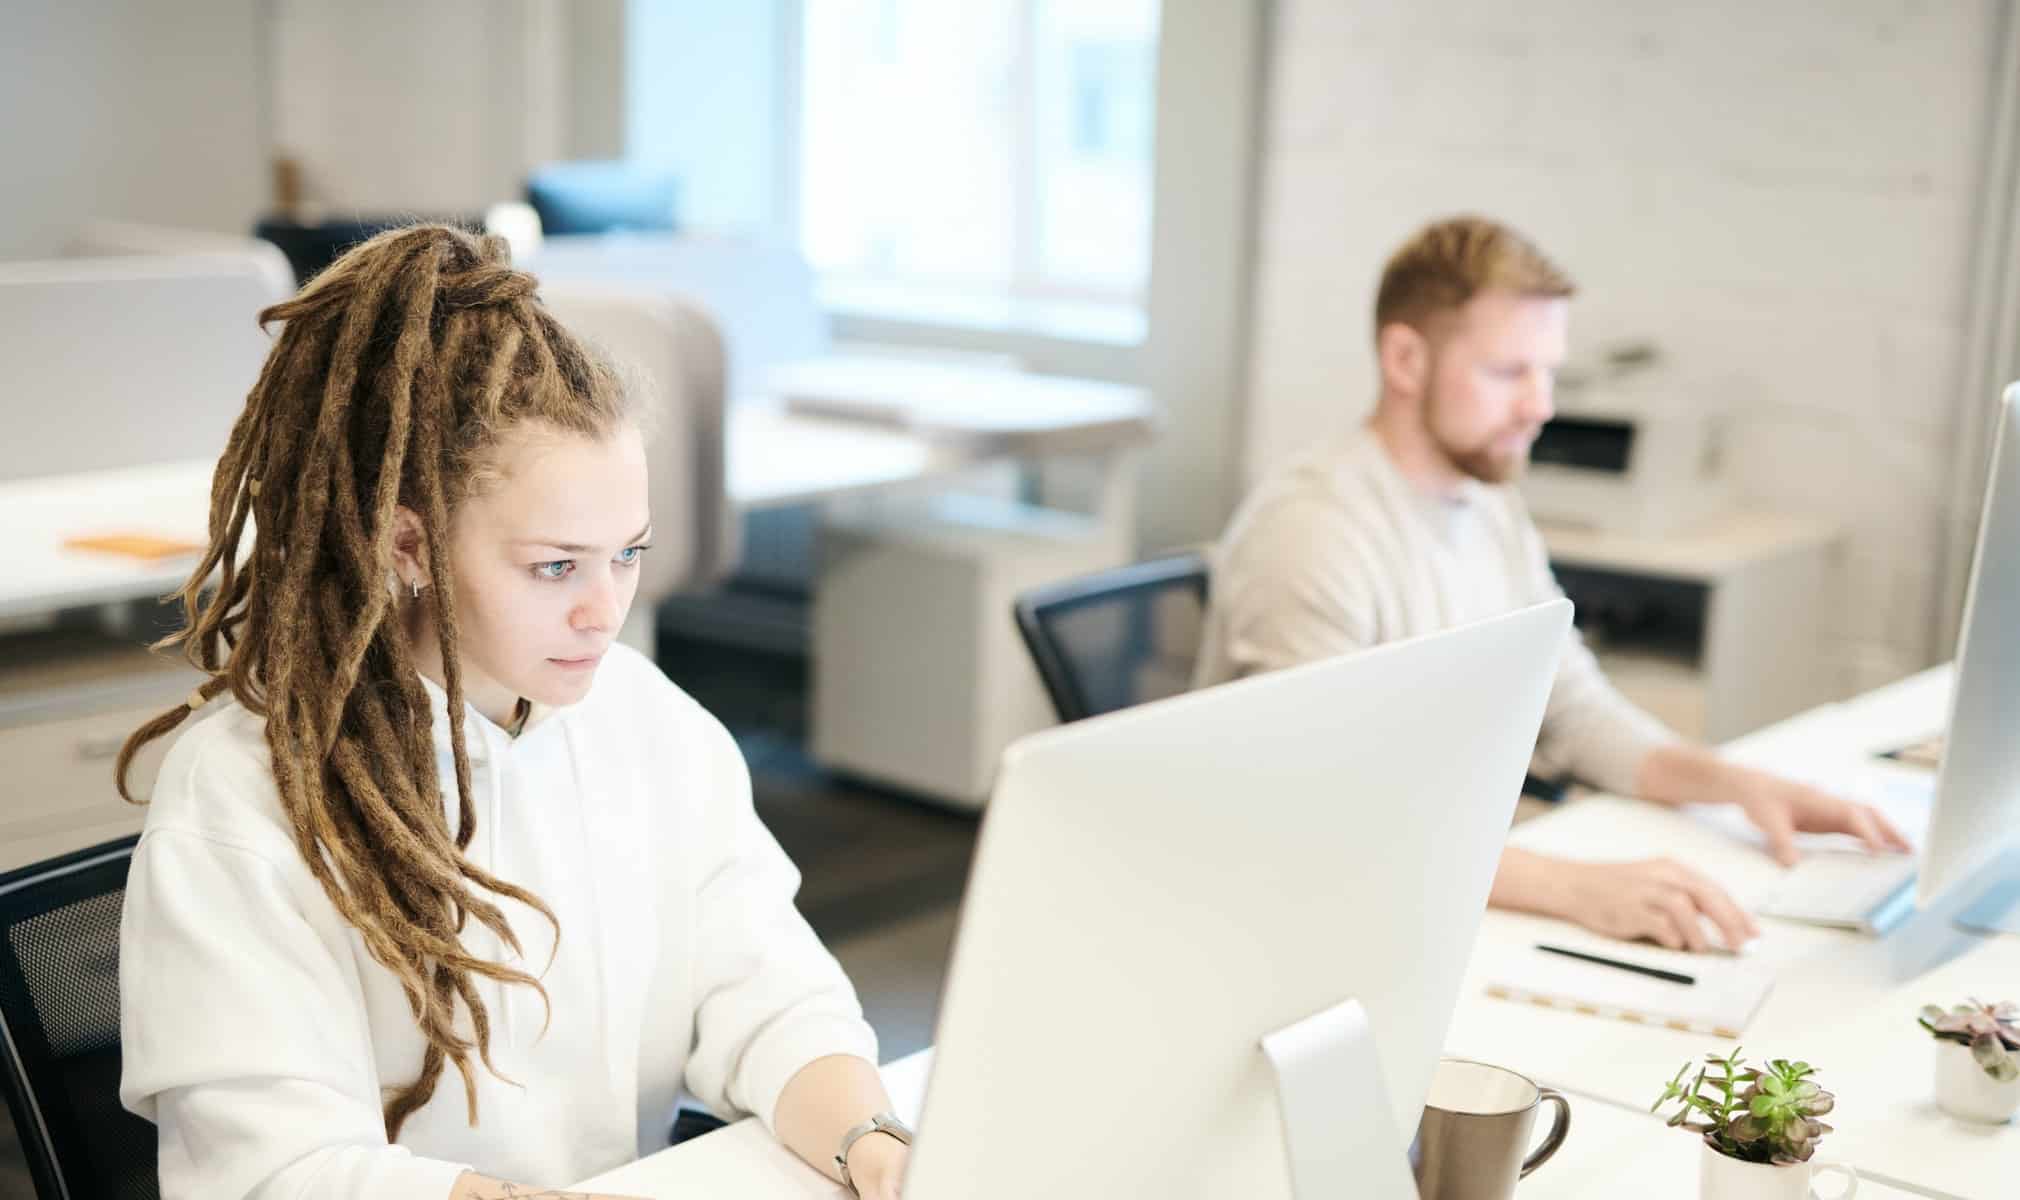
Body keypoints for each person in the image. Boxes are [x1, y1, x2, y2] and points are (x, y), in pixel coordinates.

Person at [115, 226, 910, 1199]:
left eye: (629, 555)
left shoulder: (643, 718)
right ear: (408, 545)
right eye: (555, 566)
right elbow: (279, 1169)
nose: (604, 611)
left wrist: (874, 1149)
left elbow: (769, 989)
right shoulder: (248, 793)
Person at [1195, 215, 1909, 953]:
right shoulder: (1315, 531)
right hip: (1323, 917)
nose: (1540, 406)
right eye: (1509, 373)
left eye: (1549, 373)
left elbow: (1570, 707)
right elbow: (1324, 813)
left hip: (1440, 882)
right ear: (1406, 359)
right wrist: (1574, 889)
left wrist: (1736, 785)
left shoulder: (1487, 503)